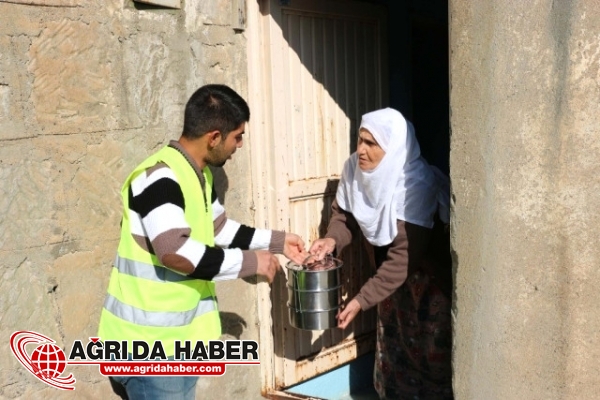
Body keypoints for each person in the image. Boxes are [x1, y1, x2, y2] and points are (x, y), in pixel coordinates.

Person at [98, 84, 308, 399]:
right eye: (237, 137)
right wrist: (250, 263)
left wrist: (278, 242)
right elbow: (174, 252)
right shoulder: (160, 179)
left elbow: (219, 229)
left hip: (176, 345)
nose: (239, 145)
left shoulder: (197, 174)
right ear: (214, 137)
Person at [309, 108, 453, 399]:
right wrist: (331, 240)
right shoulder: (354, 170)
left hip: (425, 279)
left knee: (430, 351)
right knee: (395, 348)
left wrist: (361, 299)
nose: (360, 150)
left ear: (393, 147)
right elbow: (345, 216)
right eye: (359, 140)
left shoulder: (414, 185)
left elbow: (402, 259)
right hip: (387, 279)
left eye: (371, 144)